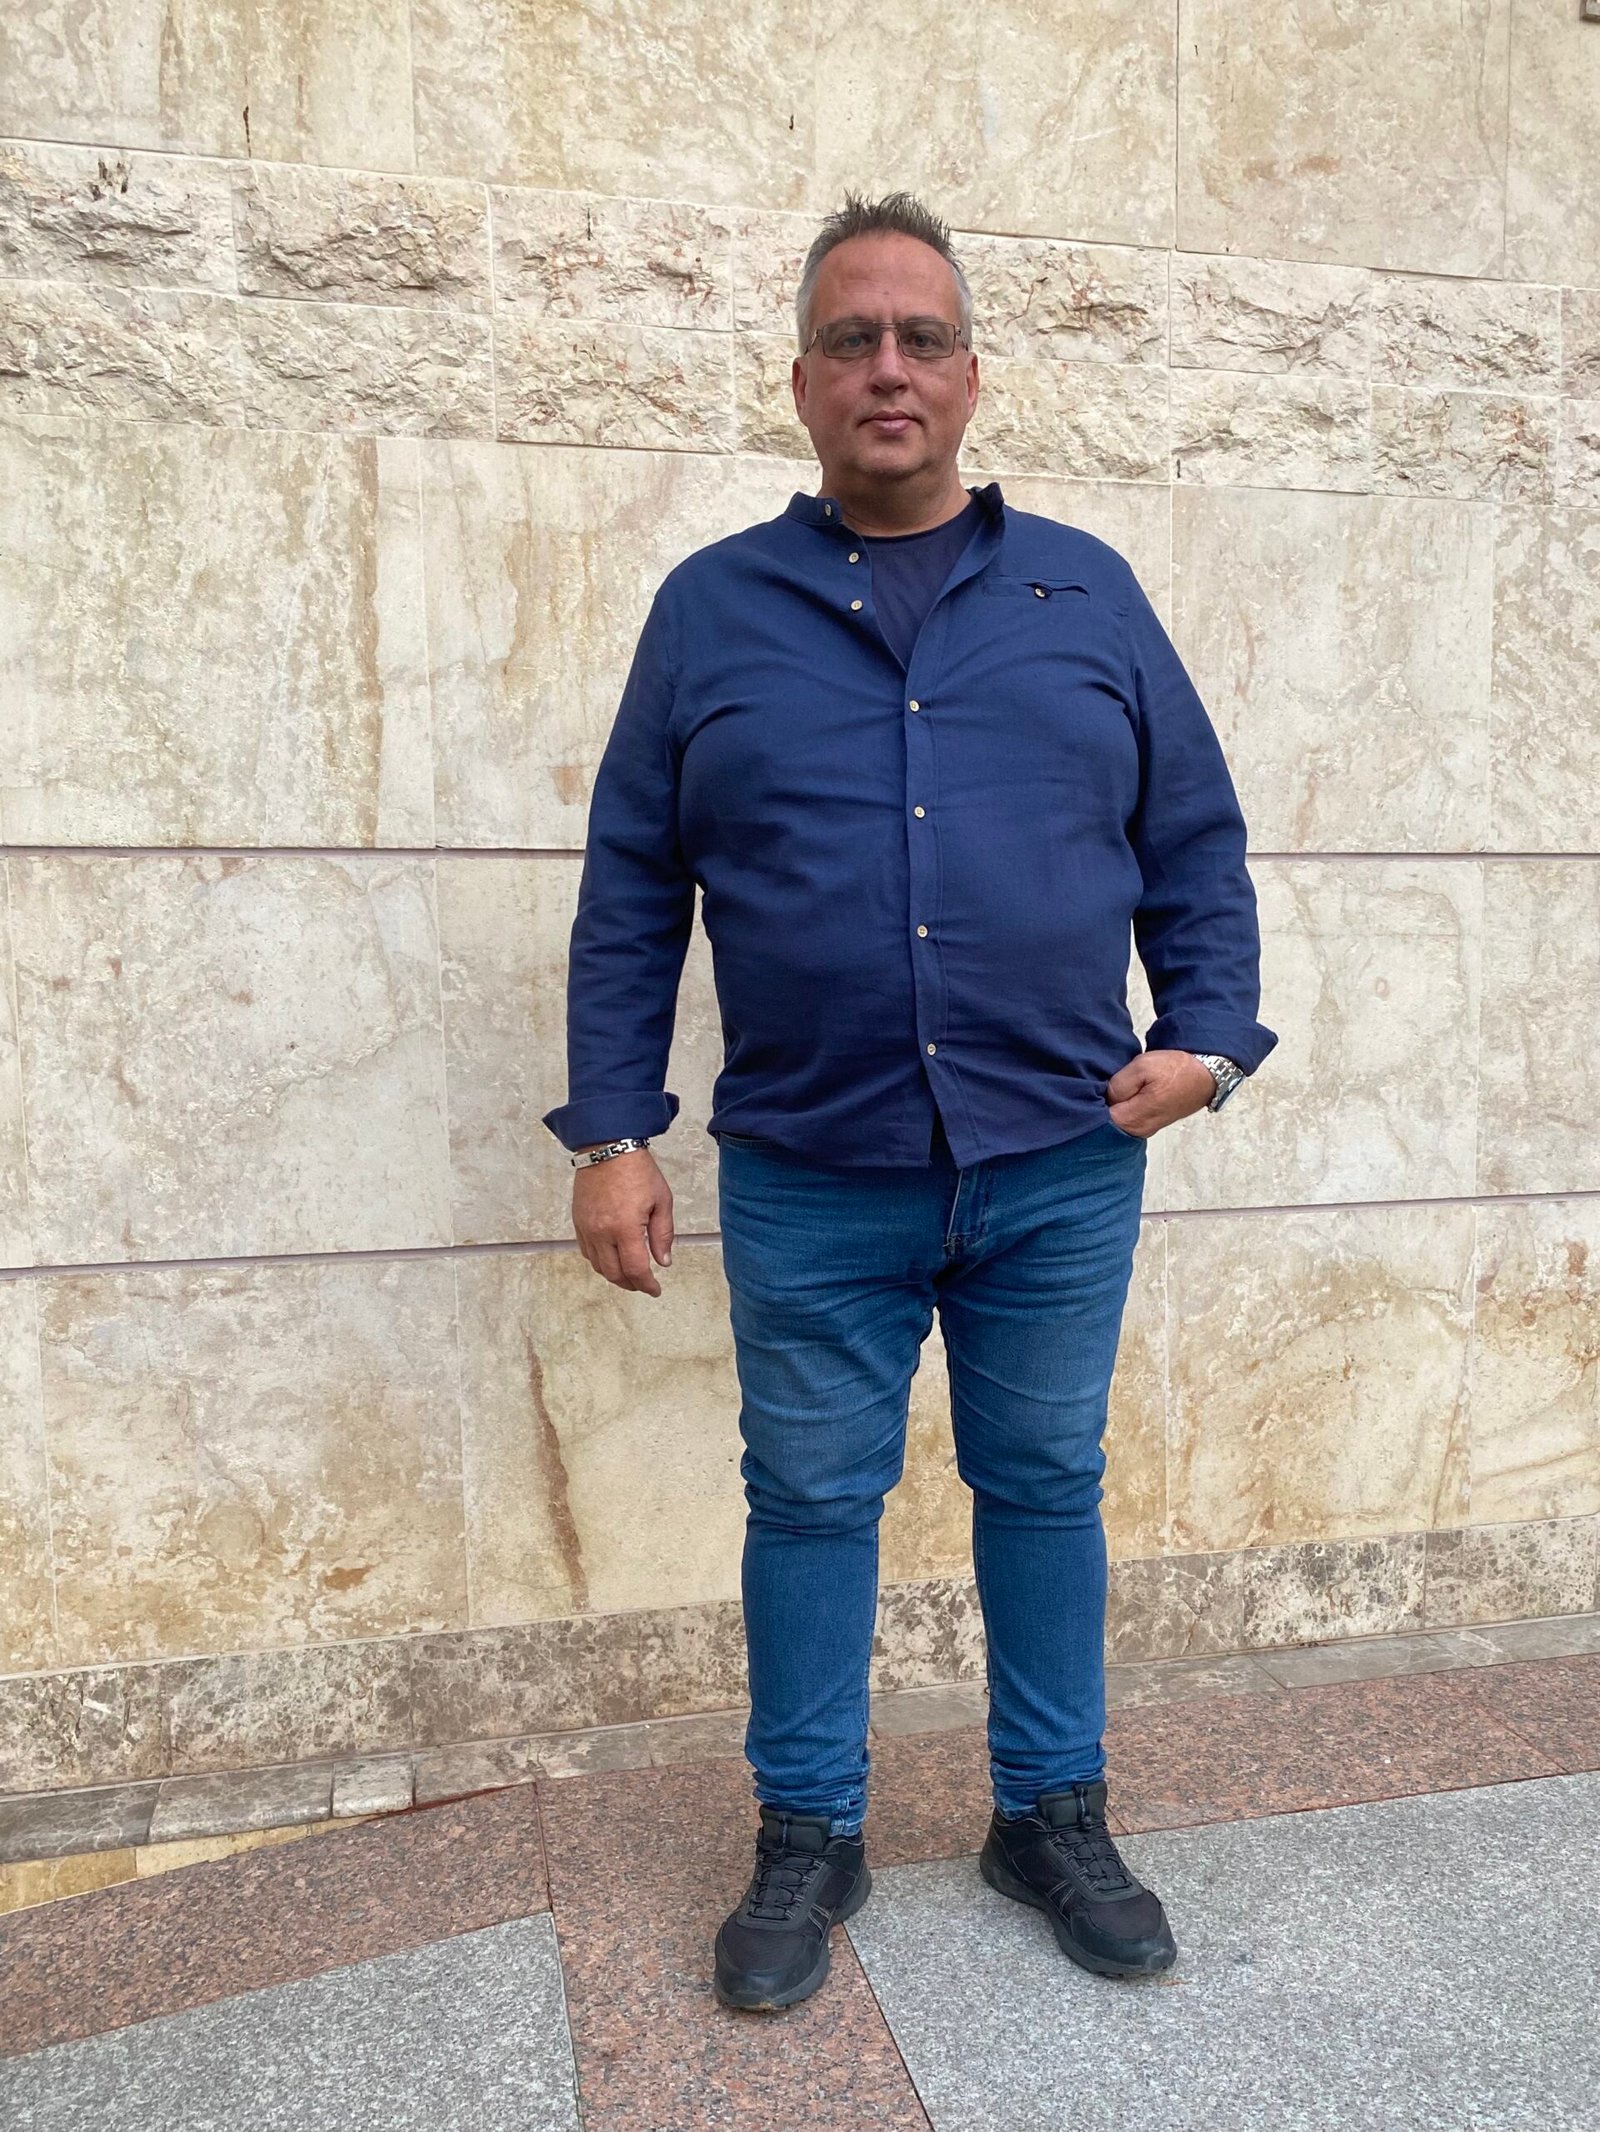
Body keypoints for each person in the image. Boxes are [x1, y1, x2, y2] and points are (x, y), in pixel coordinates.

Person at [543, 189, 1276, 2011]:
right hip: (814, 1168)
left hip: (1060, 1159)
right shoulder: (713, 608)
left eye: (923, 338)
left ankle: (1050, 1814)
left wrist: (1212, 1042)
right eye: (853, 338)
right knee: (808, 1501)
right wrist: (614, 1131)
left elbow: (1193, 836)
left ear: (969, 378)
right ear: (801, 381)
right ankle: (809, 1832)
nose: (890, 367)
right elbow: (632, 880)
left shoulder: (1087, 590)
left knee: (1044, 1485)